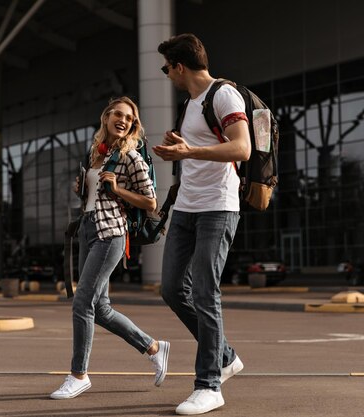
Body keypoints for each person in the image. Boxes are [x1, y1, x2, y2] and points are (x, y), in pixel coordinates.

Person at [153, 33, 251, 415]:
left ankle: (209, 384)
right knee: (173, 288)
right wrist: (181, 143)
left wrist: (189, 149)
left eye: (166, 68)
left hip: (217, 207)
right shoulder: (191, 103)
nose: (166, 75)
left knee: (205, 290)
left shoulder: (222, 94)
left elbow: (241, 148)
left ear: (179, 66)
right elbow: (198, 148)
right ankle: (225, 356)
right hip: (187, 208)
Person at [50, 97, 170, 400]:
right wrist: (83, 188)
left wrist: (118, 189)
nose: (123, 120)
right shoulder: (96, 154)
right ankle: (154, 347)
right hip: (88, 231)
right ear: (106, 117)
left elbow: (151, 202)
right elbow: (93, 196)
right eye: (118, 114)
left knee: (81, 303)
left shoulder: (131, 157)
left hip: (111, 234)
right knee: (99, 309)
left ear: (132, 126)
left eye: (129, 118)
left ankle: (79, 374)